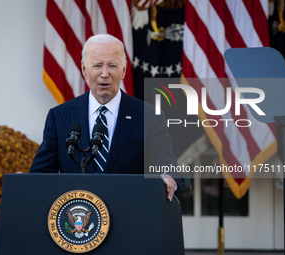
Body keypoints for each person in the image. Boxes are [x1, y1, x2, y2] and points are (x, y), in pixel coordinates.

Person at [29, 34, 183, 201]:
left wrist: (169, 178)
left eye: (112, 66)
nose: (105, 74)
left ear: (123, 70)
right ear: (84, 70)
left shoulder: (150, 117)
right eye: (97, 65)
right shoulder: (59, 116)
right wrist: (24, 183)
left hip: (130, 219)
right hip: (78, 220)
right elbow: (40, 174)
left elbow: (168, 168)